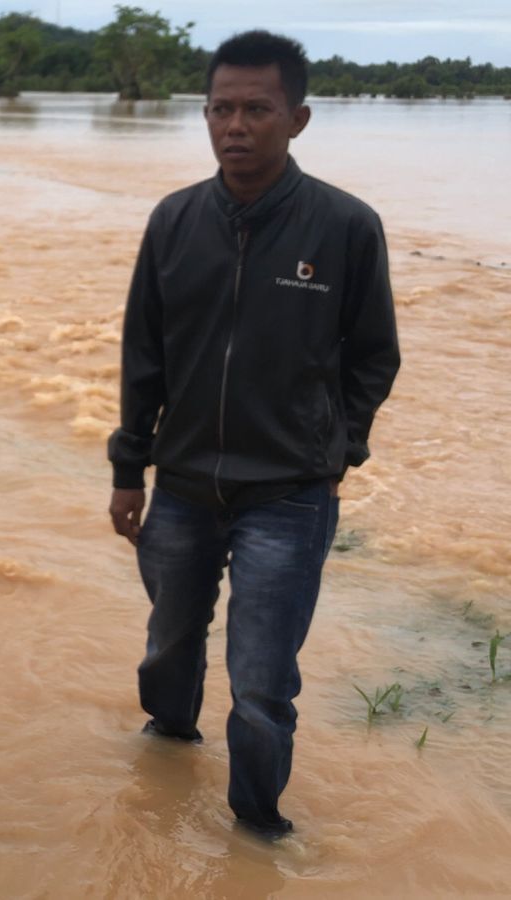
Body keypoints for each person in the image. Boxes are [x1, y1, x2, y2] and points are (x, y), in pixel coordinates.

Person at [107, 30, 400, 840]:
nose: (236, 126)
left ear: (296, 118)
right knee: (169, 645)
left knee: (264, 681)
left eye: (256, 110)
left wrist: (338, 448)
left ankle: (255, 830)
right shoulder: (174, 222)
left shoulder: (344, 227)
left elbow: (375, 356)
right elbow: (144, 355)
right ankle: (167, 754)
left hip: (291, 494)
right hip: (185, 485)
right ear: (204, 116)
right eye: (221, 109)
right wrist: (130, 467)